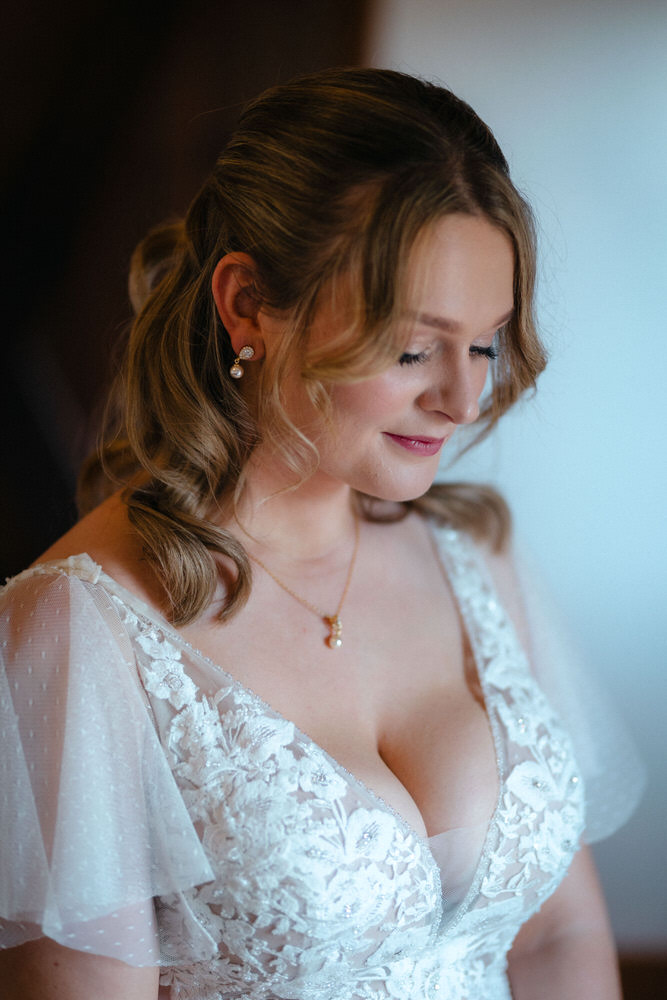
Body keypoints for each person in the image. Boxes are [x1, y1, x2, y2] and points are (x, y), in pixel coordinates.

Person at [0, 68, 643, 1000]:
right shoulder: (79, 634)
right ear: (249, 305)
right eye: (412, 348)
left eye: (485, 342)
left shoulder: (475, 561)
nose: (462, 398)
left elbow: (557, 940)